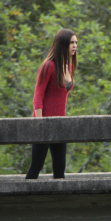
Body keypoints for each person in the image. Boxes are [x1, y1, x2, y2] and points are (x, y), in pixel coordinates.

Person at [25, 29, 78, 179]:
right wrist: (40, 124)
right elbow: (38, 97)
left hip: (60, 122)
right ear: (62, 44)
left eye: (76, 43)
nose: (74, 46)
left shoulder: (68, 67)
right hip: (44, 123)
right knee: (37, 166)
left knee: (60, 168)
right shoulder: (48, 65)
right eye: (71, 43)